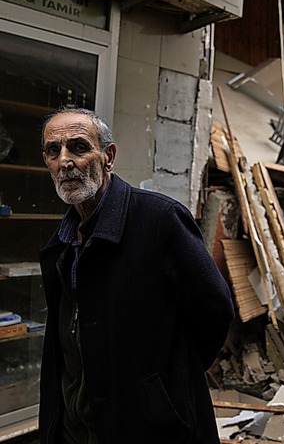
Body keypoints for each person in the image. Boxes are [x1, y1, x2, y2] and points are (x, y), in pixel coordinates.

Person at [38, 108, 235, 444]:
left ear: (108, 157)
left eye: (79, 147)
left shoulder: (160, 220)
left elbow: (215, 312)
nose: (65, 161)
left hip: (145, 428)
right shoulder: (62, 243)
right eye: (54, 151)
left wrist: (162, 387)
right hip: (75, 428)